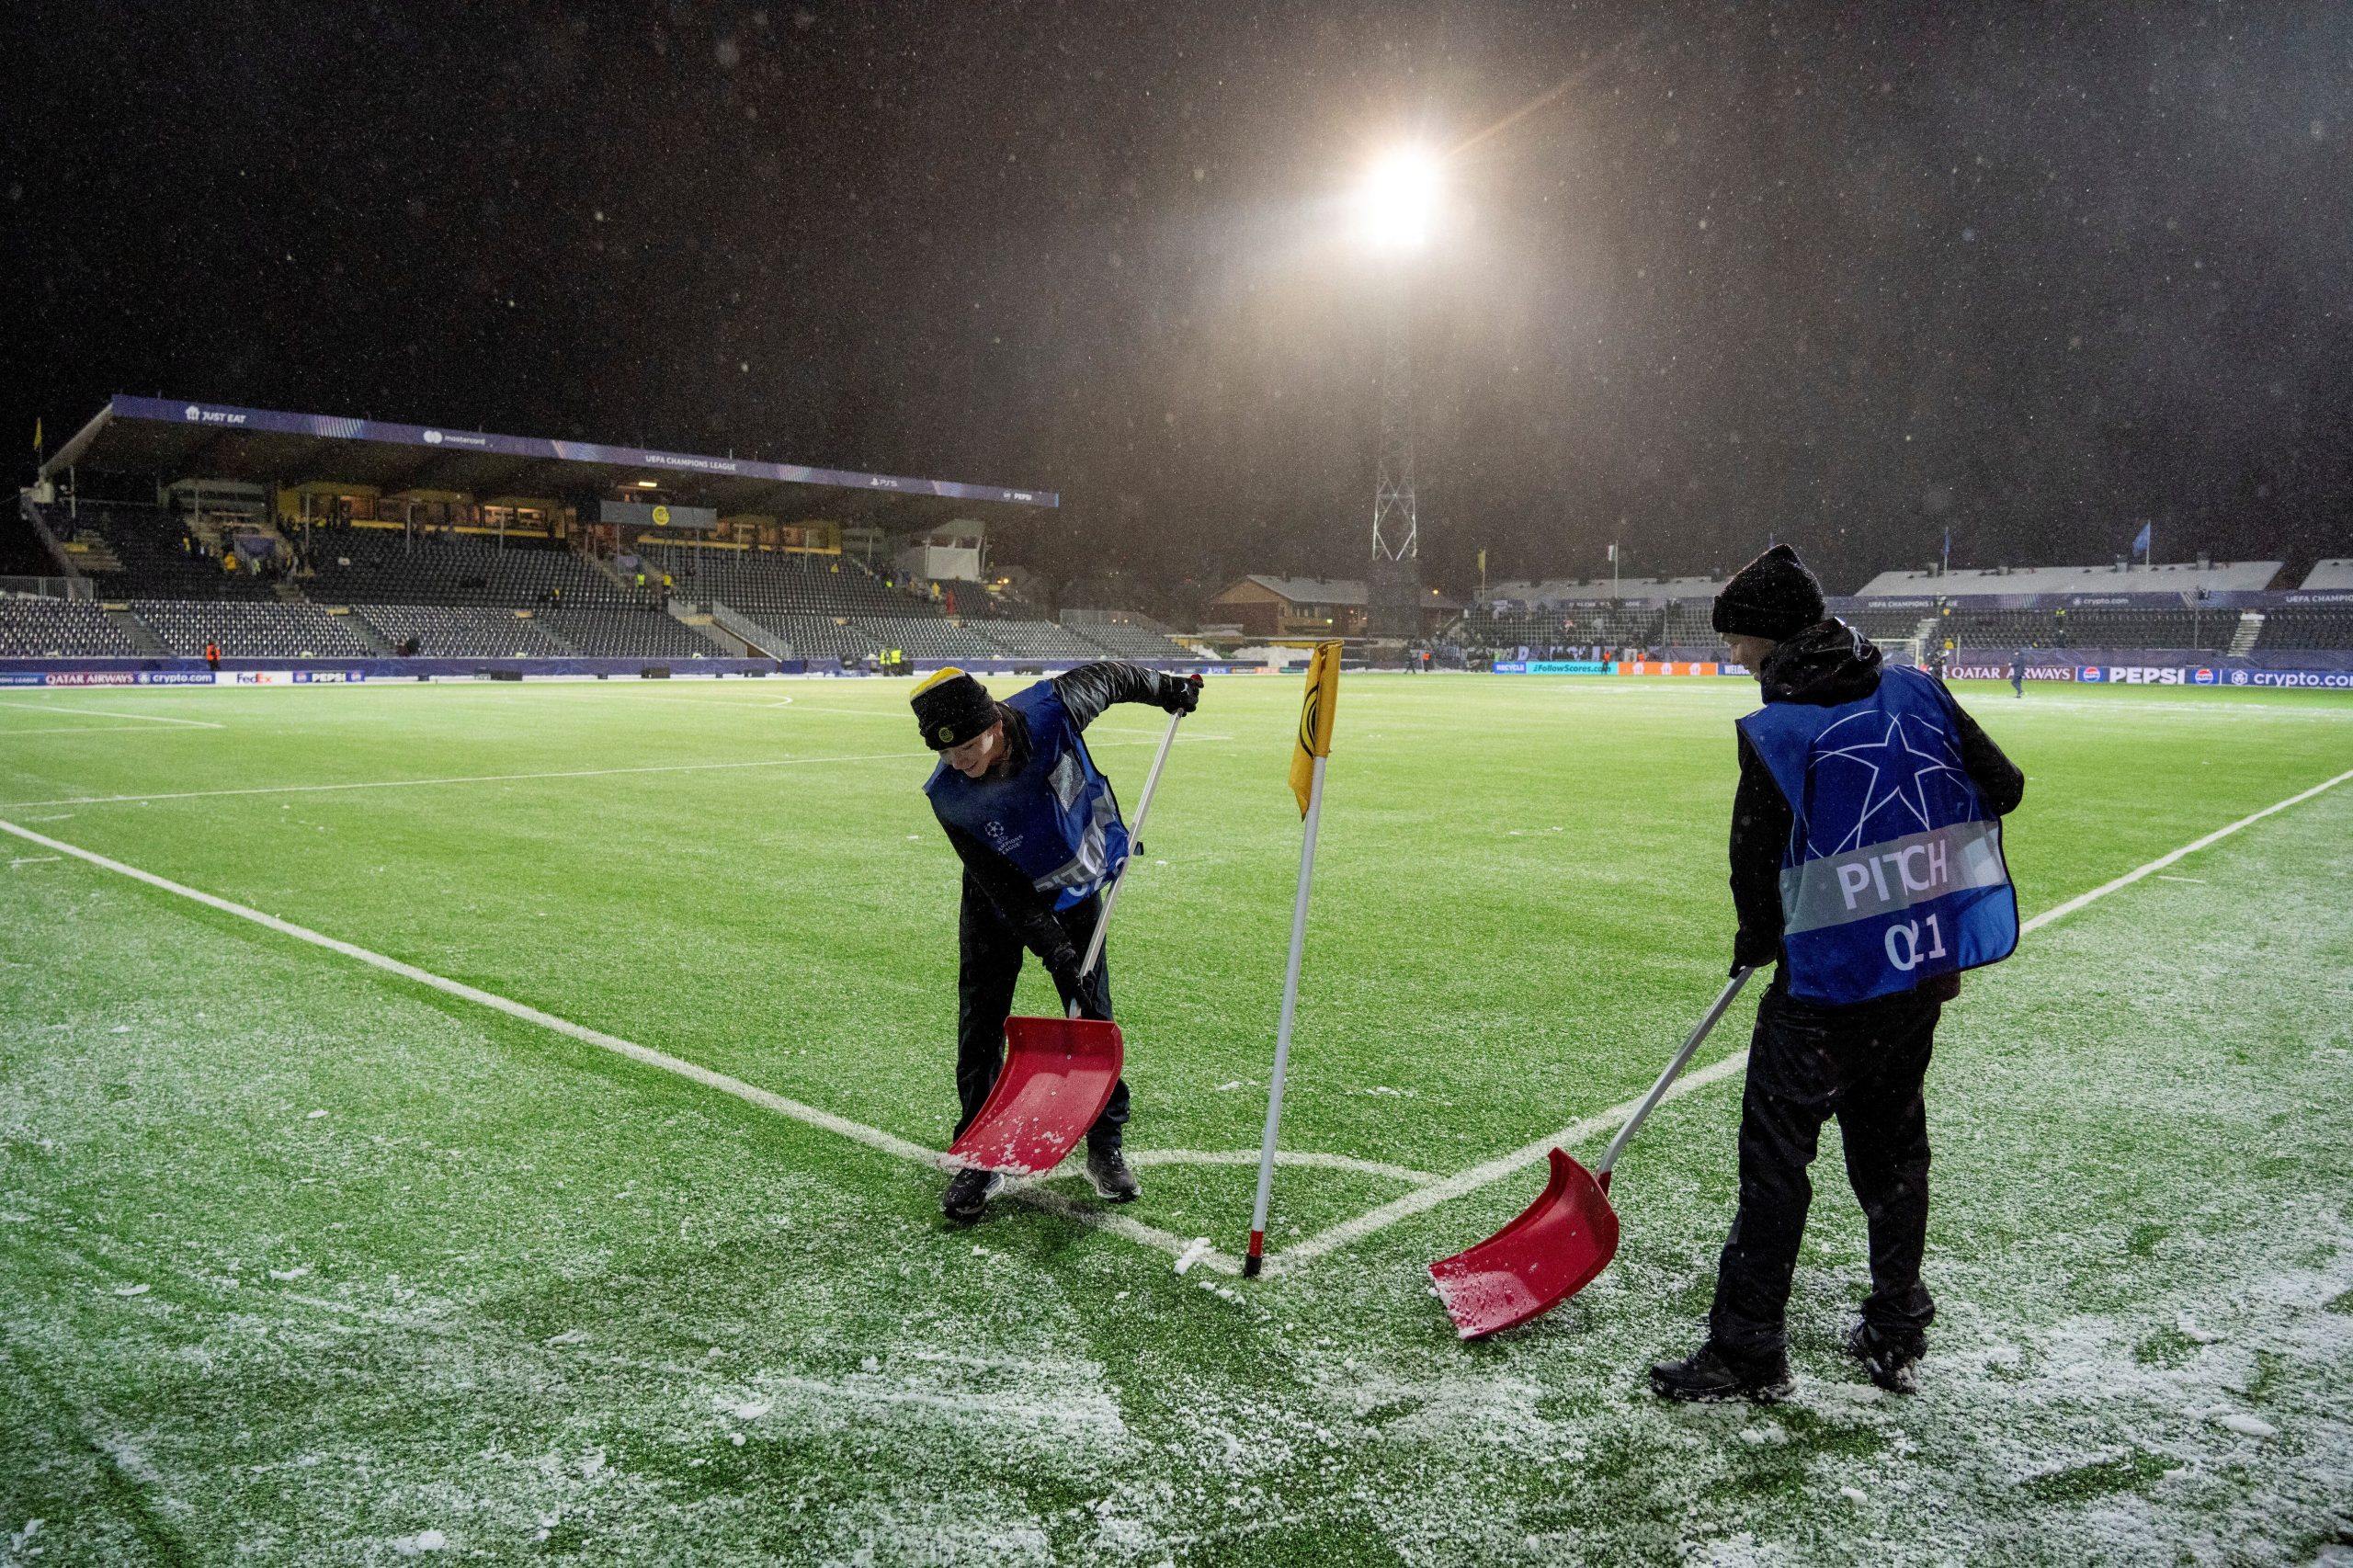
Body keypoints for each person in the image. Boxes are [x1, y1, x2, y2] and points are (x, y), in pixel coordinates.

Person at [1651, 544, 2024, 1404]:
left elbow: (1754, 864)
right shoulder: (1918, 690)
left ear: (1774, 635)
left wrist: (1755, 941)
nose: (1733, 655)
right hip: (1916, 970)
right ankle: (1897, 1327)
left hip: (1823, 987)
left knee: (1776, 1162)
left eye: (1738, 639)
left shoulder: (1781, 728)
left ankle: (1749, 1349)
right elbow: (2001, 787)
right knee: (1891, 1152)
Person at [911, 662, 1202, 1223]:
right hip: (997, 903)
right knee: (980, 1024)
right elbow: (1007, 891)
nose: (960, 762)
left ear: (995, 722)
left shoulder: (1052, 708)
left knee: (1092, 1014)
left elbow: (1112, 679)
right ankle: (981, 1154)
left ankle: (1105, 1145)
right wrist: (1058, 954)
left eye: (968, 747)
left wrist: (1167, 690)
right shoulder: (949, 796)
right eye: (947, 753)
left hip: (1073, 886)